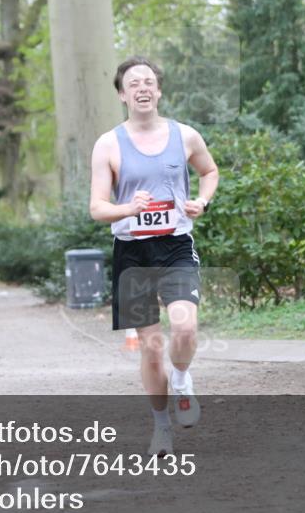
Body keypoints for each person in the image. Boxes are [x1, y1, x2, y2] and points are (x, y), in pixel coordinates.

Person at [89, 56, 219, 457]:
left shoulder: (186, 136)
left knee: (184, 329)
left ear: (159, 90)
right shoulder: (108, 144)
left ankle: (181, 379)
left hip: (175, 244)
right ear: (122, 94)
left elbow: (209, 172)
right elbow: (97, 207)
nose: (142, 88)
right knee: (149, 347)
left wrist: (202, 201)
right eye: (134, 83)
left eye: (149, 81)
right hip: (132, 251)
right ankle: (161, 425)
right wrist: (128, 208)